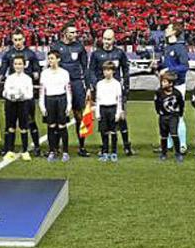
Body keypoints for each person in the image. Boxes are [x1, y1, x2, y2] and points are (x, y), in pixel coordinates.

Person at [89, 29, 133, 156]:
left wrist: (126, 86)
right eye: (105, 39)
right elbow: (91, 70)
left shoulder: (119, 53)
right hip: (102, 91)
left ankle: (126, 146)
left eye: (109, 39)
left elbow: (125, 70)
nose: (107, 42)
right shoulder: (96, 54)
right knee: (104, 120)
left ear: (114, 39)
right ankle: (105, 147)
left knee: (121, 118)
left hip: (116, 90)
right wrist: (95, 83)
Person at [50, 24, 90, 157]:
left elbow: (85, 67)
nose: (75, 34)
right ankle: (55, 147)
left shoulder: (79, 47)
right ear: (65, 33)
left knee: (80, 115)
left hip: (76, 83)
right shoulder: (55, 46)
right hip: (60, 83)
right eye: (72, 32)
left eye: (76, 32)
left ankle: (82, 146)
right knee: (59, 115)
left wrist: (88, 86)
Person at [0, 31, 41, 154]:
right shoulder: (8, 54)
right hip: (13, 90)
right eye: (15, 39)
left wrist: (36, 73)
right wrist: (0, 75)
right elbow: (3, 68)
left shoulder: (30, 54)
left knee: (30, 120)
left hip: (26, 92)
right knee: (10, 122)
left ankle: (37, 146)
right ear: (12, 40)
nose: (17, 42)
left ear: (24, 39)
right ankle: (8, 148)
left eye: (19, 39)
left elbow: (36, 68)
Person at [160, 23, 191, 152]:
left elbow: (185, 66)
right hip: (166, 85)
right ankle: (169, 144)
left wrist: (169, 69)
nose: (165, 30)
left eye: (168, 28)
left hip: (178, 85)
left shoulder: (180, 48)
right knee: (166, 113)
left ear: (174, 32)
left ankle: (182, 144)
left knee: (178, 115)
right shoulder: (167, 47)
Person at [1, 54, 34, 162]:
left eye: (20, 64)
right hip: (11, 104)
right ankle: (10, 150)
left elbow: (30, 94)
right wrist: (11, 95)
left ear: (24, 65)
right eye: (16, 64)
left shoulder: (27, 79)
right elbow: (4, 92)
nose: (18, 66)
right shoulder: (10, 78)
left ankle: (25, 151)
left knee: (24, 127)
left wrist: (21, 95)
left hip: (23, 104)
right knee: (10, 127)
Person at [39, 50, 70, 162]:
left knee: (62, 126)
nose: (50, 61)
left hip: (61, 99)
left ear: (58, 59)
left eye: (52, 58)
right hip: (49, 100)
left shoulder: (64, 73)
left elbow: (68, 90)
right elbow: (42, 91)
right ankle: (52, 151)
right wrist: (42, 105)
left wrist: (69, 105)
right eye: (49, 58)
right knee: (51, 126)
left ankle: (65, 152)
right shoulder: (44, 73)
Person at [94, 61, 124, 163]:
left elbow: (119, 99)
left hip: (113, 108)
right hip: (103, 108)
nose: (107, 72)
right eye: (105, 70)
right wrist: (97, 112)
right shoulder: (100, 84)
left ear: (113, 71)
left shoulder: (116, 84)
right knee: (104, 132)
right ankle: (105, 152)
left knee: (113, 132)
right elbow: (98, 98)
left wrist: (118, 112)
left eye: (109, 70)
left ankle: (114, 152)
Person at [154, 71, 185, 163]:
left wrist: (180, 113)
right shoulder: (159, 92)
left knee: (174, 134)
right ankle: (164, 153)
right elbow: (156, 103)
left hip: (173, 116)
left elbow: (181, 104)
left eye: (165, 82)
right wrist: (159, 112)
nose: (162, 83)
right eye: (162, 81)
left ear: (171, 83)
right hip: (163, 117)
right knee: (163, 136)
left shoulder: (177, 93)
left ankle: (178, 153)